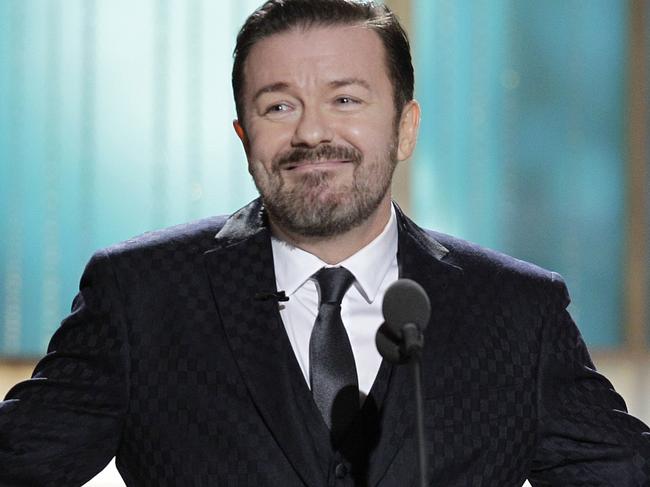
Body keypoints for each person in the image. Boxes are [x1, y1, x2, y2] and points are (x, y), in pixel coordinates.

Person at [1, 0, 649, 485]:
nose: (312, 132)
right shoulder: (139, 294)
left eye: (345, 99)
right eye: (278, 106)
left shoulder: (516, 309)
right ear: (243, 134)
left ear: (404, 127)